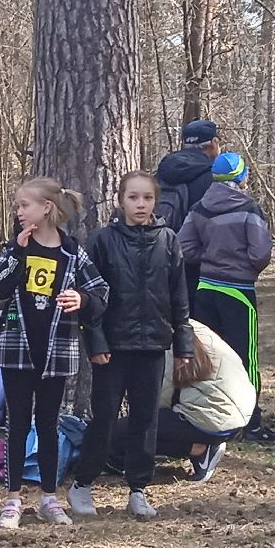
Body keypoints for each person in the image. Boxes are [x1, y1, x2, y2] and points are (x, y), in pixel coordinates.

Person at [67, 172, 194, 521]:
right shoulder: (103, 240)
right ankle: (83, 483)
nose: (140, 205)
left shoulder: (168, 240)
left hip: (152, 345)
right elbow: (90, 298)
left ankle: (138, 488)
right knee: (104, 416)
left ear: (156, 201)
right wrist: (96, 341)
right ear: (121, 200)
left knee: (145, 418)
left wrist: (183, 344)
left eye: (147, 198)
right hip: (112, 346)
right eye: (133, 198)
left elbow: (179, 297)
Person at [0, 177, 109, 529]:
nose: (19, 211)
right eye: (18, 206)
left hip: (57, 352)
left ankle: (48, 497)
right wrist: (16, 253)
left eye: (25, 205)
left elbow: (100, 292)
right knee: (17, 424)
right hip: (16, 351)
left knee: (48, 423)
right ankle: (12, 499)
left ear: (47, 208)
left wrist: (82, 300)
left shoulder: (72, 252)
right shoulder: (15, 248)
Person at [177, 152, 275, 442]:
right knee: (245, 357)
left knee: (209, 357)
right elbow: (260, 253)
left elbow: (184, 246)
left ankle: (209, 417)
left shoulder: (200, 207)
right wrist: (243, 266)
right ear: (240, 177)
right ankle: (252, 424)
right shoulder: (249, 208)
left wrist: (209, 259)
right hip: (238, 291)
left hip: (205, 290)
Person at [111, 320, 255, 482]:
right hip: (239, 414)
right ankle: (200, 445)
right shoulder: (194, 325)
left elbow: (156, 400)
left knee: (119, 435)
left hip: (212, 419)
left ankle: (199, 450)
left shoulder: (158, 342)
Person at [155, 119, 222, 299]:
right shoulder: (212, 177)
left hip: (161, 255)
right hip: (199, 263)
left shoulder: (162, 172)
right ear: (214, 144)